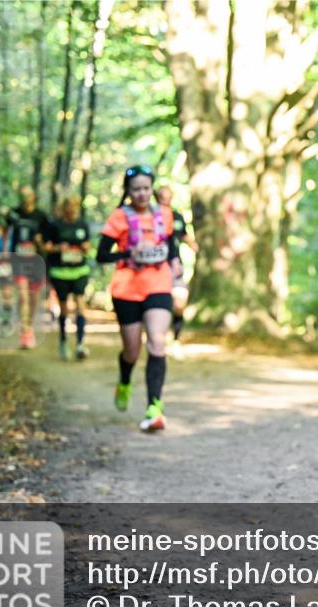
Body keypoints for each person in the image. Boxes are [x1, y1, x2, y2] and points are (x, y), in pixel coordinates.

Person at [96, 166, 182, 431]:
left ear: (152, 189)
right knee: (132, 350)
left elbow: (170, 245)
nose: (142, 194)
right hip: (127, 289)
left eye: (146, 188)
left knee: (157, 341)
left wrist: (174, 260)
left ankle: (154, 408)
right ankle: (124, 381)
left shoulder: (164, 214)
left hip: (158, 284)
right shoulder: (119, 217)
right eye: (136, 189)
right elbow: (101, 255)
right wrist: (129, 254)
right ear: (128, 192)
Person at [44, 195, 92, 361]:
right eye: (69, 206)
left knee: (80, 304)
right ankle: (63, 341)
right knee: (64, 307)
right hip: (60, 272)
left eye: (75, 206)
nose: (72, 210)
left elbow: (88, 245)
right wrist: (58, 248)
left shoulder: (82, 225)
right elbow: (46, 246)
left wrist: (86, 247)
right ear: (64, 208)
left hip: (79, 271)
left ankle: (80, 343)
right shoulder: (55, 225)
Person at [5, 186, 50, 349]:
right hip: (18, 260)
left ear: (33, 197)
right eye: (22, 195)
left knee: (33, 297)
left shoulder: (41, 216)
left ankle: (28, 326)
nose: (25, 198)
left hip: (36, 262)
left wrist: (40, 242)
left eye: (28, 195)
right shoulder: (13, 213)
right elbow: (4, 231)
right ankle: (25, 331)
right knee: (23, 295)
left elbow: (47, 241)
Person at [156, 186, 198, 361]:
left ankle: (176, 340)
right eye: (163, 197)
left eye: (169, 197)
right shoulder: (151, 216)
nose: (166, 200)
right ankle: (159, 339)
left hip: (175, 266)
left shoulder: (177, 217)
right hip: (155, 268)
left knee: (180, 302)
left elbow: (184, 237)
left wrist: (194, 246)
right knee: (161, 304)